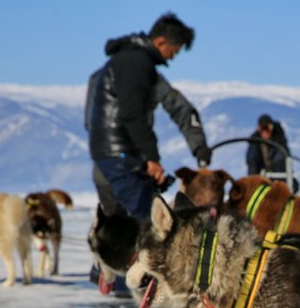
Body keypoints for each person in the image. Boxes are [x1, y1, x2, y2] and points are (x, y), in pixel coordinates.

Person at [85, 13, 211, 222]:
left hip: (108, 162)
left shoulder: (109, 69)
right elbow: (137, 114)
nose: (172, 57)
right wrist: (151, 157)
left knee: (118, 231)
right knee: (145, 228)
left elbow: (90, 121)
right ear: (161, 41)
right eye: (174, 50)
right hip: (123, 162)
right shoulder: (137, 65)